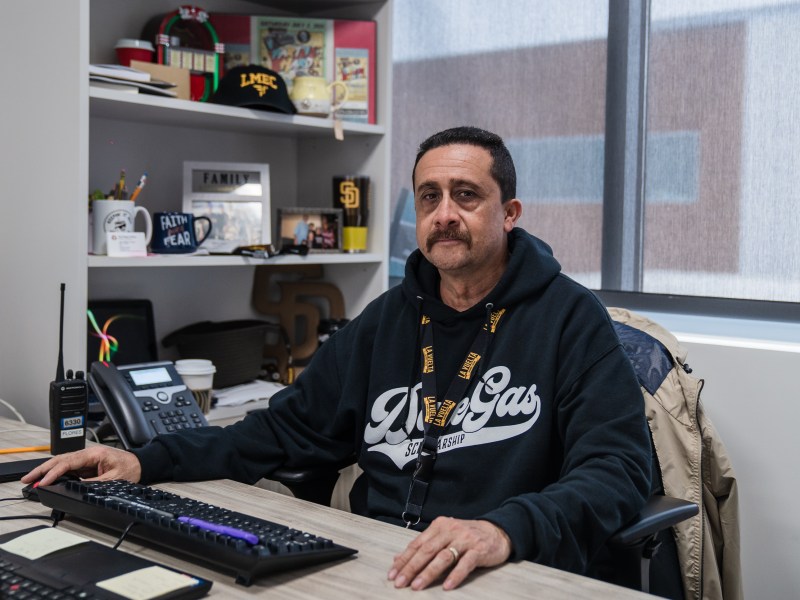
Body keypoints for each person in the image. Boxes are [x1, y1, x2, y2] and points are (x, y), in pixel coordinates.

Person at [25, 126, 651, 591]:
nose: (445, 215)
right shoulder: (389, 317)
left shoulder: (571, 318)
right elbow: (282, 430)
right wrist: (142, 461)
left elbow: (619, 470)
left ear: (509, 214)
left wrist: (506, 528)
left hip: (501, 566)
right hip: (377, 559)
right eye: (429, 197)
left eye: (466, 195)